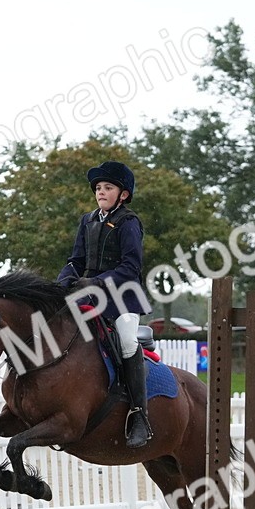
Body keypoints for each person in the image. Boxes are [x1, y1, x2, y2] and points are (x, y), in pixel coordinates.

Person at [57, 160, 153, 448]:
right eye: (98, 188)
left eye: (108, 187)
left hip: (122, 297)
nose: (101, 192)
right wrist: (61, 283)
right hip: (88, 292)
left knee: (125, 341)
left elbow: (130, 266)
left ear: (123, 194)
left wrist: (97, 283)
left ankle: (139, 414)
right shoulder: (87, 220)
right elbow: (77, 260)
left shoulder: (128, 222)